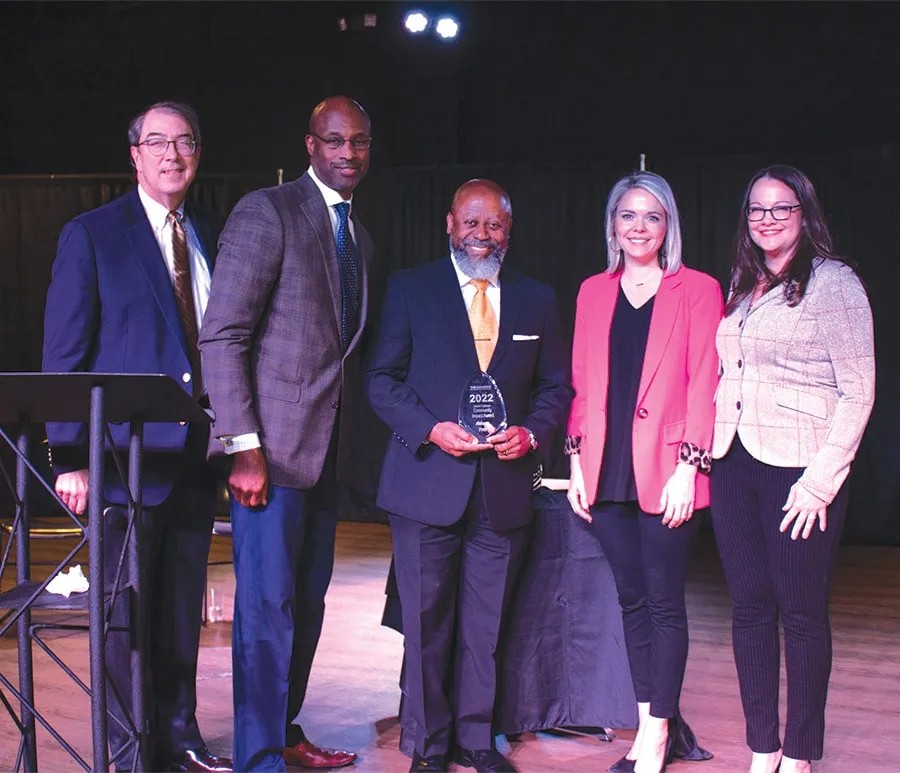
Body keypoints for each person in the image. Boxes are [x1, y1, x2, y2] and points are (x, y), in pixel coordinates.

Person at [42, 101, 231, 772]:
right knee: (125, 617)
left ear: (198, 153)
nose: (172, 154)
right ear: (134, 155)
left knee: (182, 610)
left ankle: (179, 735)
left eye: (184, 142)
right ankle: (128, 748)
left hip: (193, 458)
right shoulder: (92, 235)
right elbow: (64, 354)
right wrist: (70, 456)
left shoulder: (210, 232)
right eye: (158, 142)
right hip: (121, 461)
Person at [364, 179, 573, 773]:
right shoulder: (410, 290)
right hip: (427, 481)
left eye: (496, 225)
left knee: (486, 627)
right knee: (427, 624)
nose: (483, 235)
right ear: (449, 225)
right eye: (472, 223)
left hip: (502, 489)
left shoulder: (537, 299)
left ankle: (476, 741)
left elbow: (557, 387)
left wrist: (532, 433)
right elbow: (381, 379)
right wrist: (430, 429)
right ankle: (428, 747)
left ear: (510, 231)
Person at [198, 96, 373, 772]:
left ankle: (283, 728)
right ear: (310, 144)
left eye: (359, 141)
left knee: (305, 604)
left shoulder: (358, 234)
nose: (347, 153)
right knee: (266, 613)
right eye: (334, 140)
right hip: (265, 457)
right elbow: (223, 334)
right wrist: (242, 445)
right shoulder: (267, 213)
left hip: (323, 458)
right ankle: (259, 758)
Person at [710, 165, 875, 773]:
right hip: (735, 463)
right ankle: (763, 747)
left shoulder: (836, 284)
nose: (767, 220)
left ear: (805, 214)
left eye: (781, 209)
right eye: (756, 209)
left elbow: (859, 392)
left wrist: (820, 482)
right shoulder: (744, 282)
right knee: (749, 608)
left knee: (801, 614)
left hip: (799, 471)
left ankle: (800, 754)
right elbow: (731, 375)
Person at [566, 171, 723, 773]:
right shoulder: (592, 291)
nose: (639, 227)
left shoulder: (699, 289)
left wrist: (690, 467)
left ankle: (656, 735)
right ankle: (652, 723)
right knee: (631, 601)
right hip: (605, 467)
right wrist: (577, 460)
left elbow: (706, 383)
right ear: (613, 224)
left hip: (668, 466)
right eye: (627, 215)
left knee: (663, 603)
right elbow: (581, 385)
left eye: (652, 217)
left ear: (668, 226)